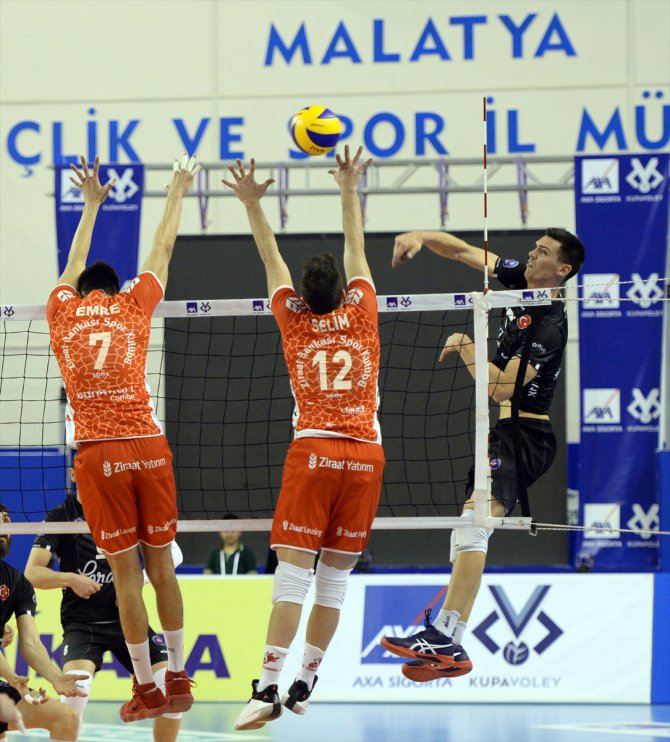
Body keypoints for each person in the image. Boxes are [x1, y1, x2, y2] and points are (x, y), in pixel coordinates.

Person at [222, 146, 384, 730]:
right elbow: (356, 249)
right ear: (343, 292)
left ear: (303, 298)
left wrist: (251, 204)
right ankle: (305, 683)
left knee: (293, 576)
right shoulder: (363, 313)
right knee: (333, 582)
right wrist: (348, 186)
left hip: (314, 449)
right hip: (366, 456)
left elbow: (272, 260)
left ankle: (267, 686)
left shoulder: (292, 321)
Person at [381, 228, 585, 681]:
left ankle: (445, 636)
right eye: (534, 247)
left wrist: (464, 344)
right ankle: (447, 640)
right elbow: (461, 251)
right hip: (506, 433)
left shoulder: (549, 323)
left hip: (527, 435)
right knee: (468, 525)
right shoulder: (517, 279)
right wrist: (420, 236)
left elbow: (500, 389)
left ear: (562, 270)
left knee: (474, 523)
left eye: (543, 252)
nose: (531, 254)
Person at [46, 154, 199, 721]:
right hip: (149, 446)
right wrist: (178, 189)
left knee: (127, 577)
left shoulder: (62, 314)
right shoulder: (135, 307)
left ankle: (147, 687)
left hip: (99, 455)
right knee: (162, 568)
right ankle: (177, 675)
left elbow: (71, 264)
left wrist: (90, 205)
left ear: (81, 291)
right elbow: (162, 248)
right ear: (115, 290)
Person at [25, 467, 184, 741]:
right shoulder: (61, 516)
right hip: (82, 624)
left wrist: (136, 583)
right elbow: (32, 572)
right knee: (75, 693)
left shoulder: (125, 509)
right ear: (74, 474)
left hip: (129, 620)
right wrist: (71, 579)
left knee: (172, 694)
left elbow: (175, 553)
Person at [0, 505, 85, 741]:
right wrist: (12, 678)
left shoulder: (17, 583)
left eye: (7, 523)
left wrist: (54, 676)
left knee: (66, 718)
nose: (3, 528)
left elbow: (31, 643)